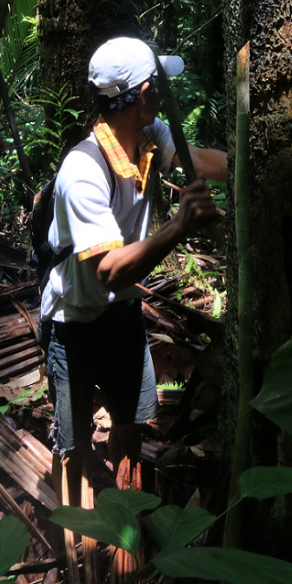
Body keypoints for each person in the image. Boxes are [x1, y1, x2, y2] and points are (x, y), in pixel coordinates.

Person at [38, 37, 226, 498]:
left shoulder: (147, 135)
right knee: (73, 444)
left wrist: (255, 163)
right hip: (74, 325)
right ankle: (76, 546)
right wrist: (179, 226)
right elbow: (109, 271)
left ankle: (124, 504)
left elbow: (195, 158)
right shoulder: (82, 170)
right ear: (143, 96)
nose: (163, 94)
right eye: (159, 86)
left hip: (120, 314)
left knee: (132, 420)